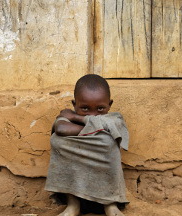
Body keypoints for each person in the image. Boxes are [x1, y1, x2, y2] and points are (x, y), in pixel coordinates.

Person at [45, 74, 128, 216]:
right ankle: (73, 205)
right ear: (74, 104)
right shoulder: (67, 115)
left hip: (106, 180)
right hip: (74, 183)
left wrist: (78, 118)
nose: (93, 114)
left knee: (108, 142)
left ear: (110, 104)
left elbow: (109, 127)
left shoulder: (114, 118)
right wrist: (97, 129)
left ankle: (110, 204)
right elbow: (60, 129)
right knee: (58, 140)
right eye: (84, 108)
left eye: (100, 109)